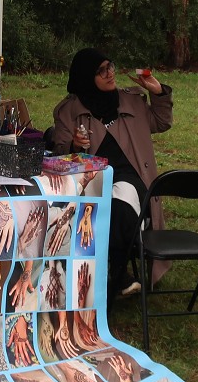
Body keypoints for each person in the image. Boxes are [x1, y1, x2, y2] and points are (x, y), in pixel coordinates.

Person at [51, 48, 172, 296]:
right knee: (98, 205)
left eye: (111, 67)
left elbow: (162, 122)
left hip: (131, 178)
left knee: (120, 203)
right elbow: (58, 153)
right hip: (90, 181)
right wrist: (75, 146)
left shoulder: (132, 101)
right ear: (86, 77)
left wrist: (158, 92)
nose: (110, 74)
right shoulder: (68, 111)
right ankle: (110, 275)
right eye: (101, 71)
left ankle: (115, 273)